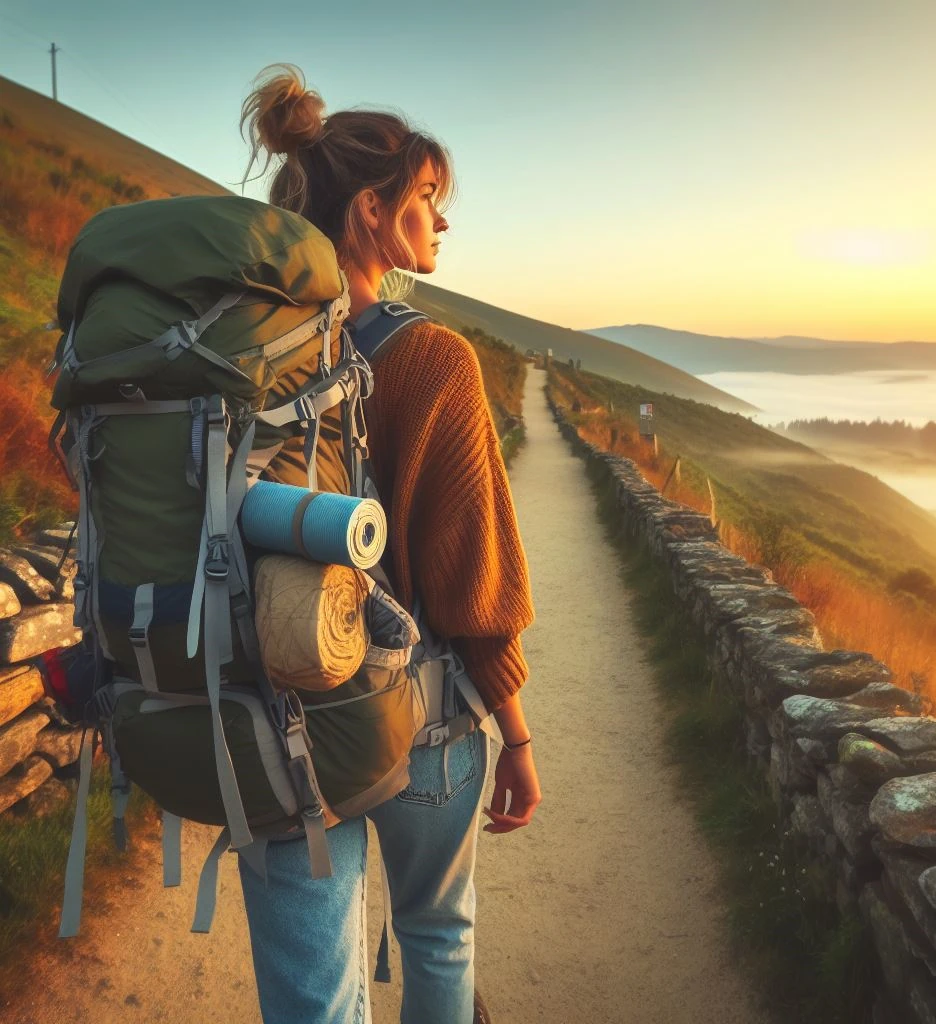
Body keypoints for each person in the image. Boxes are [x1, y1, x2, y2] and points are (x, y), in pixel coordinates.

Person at [236, 64, 542, 1024]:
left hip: (270, 715)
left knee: (311, 1001)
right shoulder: (436, 360)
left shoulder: (246, 355)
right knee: (437, 939)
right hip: (420, 723)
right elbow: (472, 584)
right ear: (370, 213)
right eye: (425, 200)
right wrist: (519, 734)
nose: (440, 223)